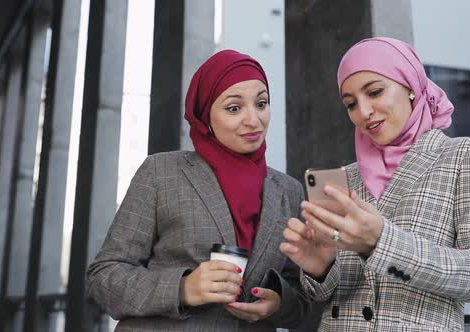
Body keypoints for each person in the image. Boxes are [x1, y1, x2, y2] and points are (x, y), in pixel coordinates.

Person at [280, 37, 470, 331]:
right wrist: (321, 268)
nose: (363, 112)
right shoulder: (347, 177)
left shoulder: (467, 154)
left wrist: (381, 242)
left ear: (410, 86)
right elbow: (325, 294)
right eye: (351, 104)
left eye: (375, 92)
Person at [86, 50, 310, 331]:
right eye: (234, 108)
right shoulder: (161, 172)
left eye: (261, 103)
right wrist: (182, 288)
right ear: (205, 115)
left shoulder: (289, 191)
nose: (254, 120)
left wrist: (278, 304)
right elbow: (103, 277)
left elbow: (301, 297)